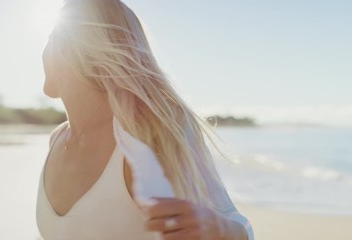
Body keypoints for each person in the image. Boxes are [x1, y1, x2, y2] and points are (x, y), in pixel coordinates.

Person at [36, 0, 254, 239]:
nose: (43, 51)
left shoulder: (149, 137)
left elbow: (237, 227)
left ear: (75, 47)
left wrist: (219, 230)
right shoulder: (57, 139)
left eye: (51, 37)